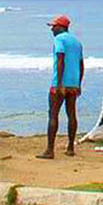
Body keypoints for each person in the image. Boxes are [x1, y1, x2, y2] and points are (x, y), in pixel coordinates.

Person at [39, 14, 83, 160]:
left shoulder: (59, 39)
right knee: (71, 114)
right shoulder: (77, 42)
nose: (52, 29)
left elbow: (60, 60)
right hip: (73, 83)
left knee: (53, 114)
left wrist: (58, 84)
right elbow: (81, 64)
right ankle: (70, 147)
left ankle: (49, 150)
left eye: (54, 26)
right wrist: (79, 84)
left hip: (60, 83)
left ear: (61, 27)